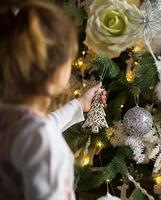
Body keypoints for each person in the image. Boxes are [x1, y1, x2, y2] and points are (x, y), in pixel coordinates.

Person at [0, 1, 107, 199]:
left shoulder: (10, 118)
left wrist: (80, 105)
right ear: (55, 72)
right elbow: (39, 134)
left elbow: (36, 128)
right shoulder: (45, 145)